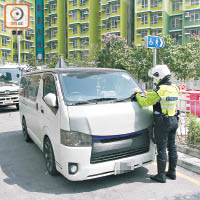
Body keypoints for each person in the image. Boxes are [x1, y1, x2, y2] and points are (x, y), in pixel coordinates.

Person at [134, 65, 179, 183]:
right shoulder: (175, 87)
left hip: (163, 122)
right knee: (172, 147)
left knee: (162, 149)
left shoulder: (160, 89)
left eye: (156, 78)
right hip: (174, 119)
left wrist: (137, 94)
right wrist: (147, 93)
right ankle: (172, 172)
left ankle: (161, 175)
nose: (156, 80)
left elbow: (145, 102)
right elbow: (154, 96)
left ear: (160, 76)